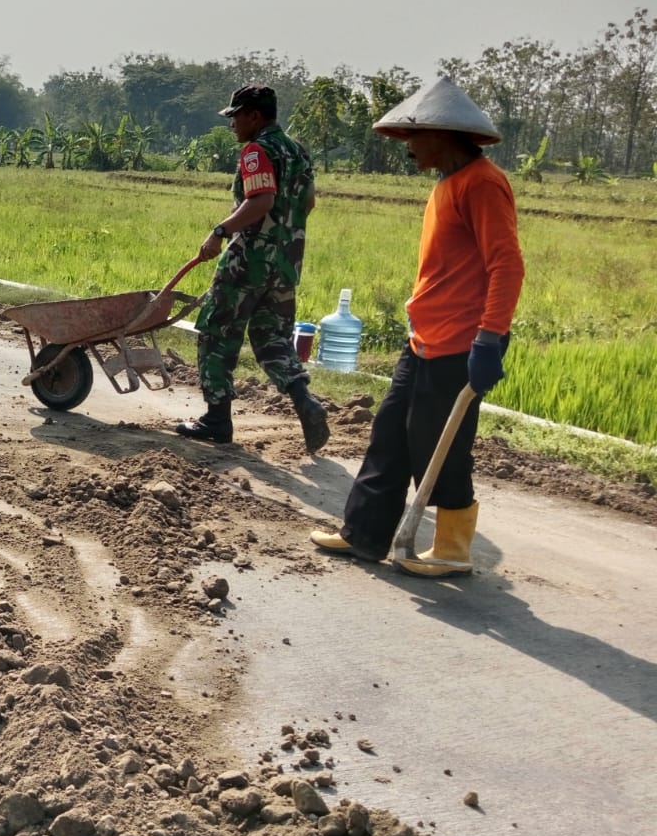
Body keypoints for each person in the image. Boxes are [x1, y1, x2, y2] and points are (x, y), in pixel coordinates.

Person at [311, 76, 524, 577]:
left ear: (444, 135)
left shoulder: (484, 184)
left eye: (415, 137)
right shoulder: (447, 184)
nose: (407, 147)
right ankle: (363, 533)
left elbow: (506, 265)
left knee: (440, 444)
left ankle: (452, 549)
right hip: (424, 337)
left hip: (462, 342)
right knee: (389, 433)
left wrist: (489, 339)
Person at [176, 84, 330, 452]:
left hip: (249, 260)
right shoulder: (298, 151)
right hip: (286, 263)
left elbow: (261, 200)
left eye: (236, 116)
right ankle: (304, 400)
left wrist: (221, 231)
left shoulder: (256, 151)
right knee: (271, 337)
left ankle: (216, 419)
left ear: (254, 116)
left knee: (216, 330)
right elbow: (307, 203)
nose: (232, 124)